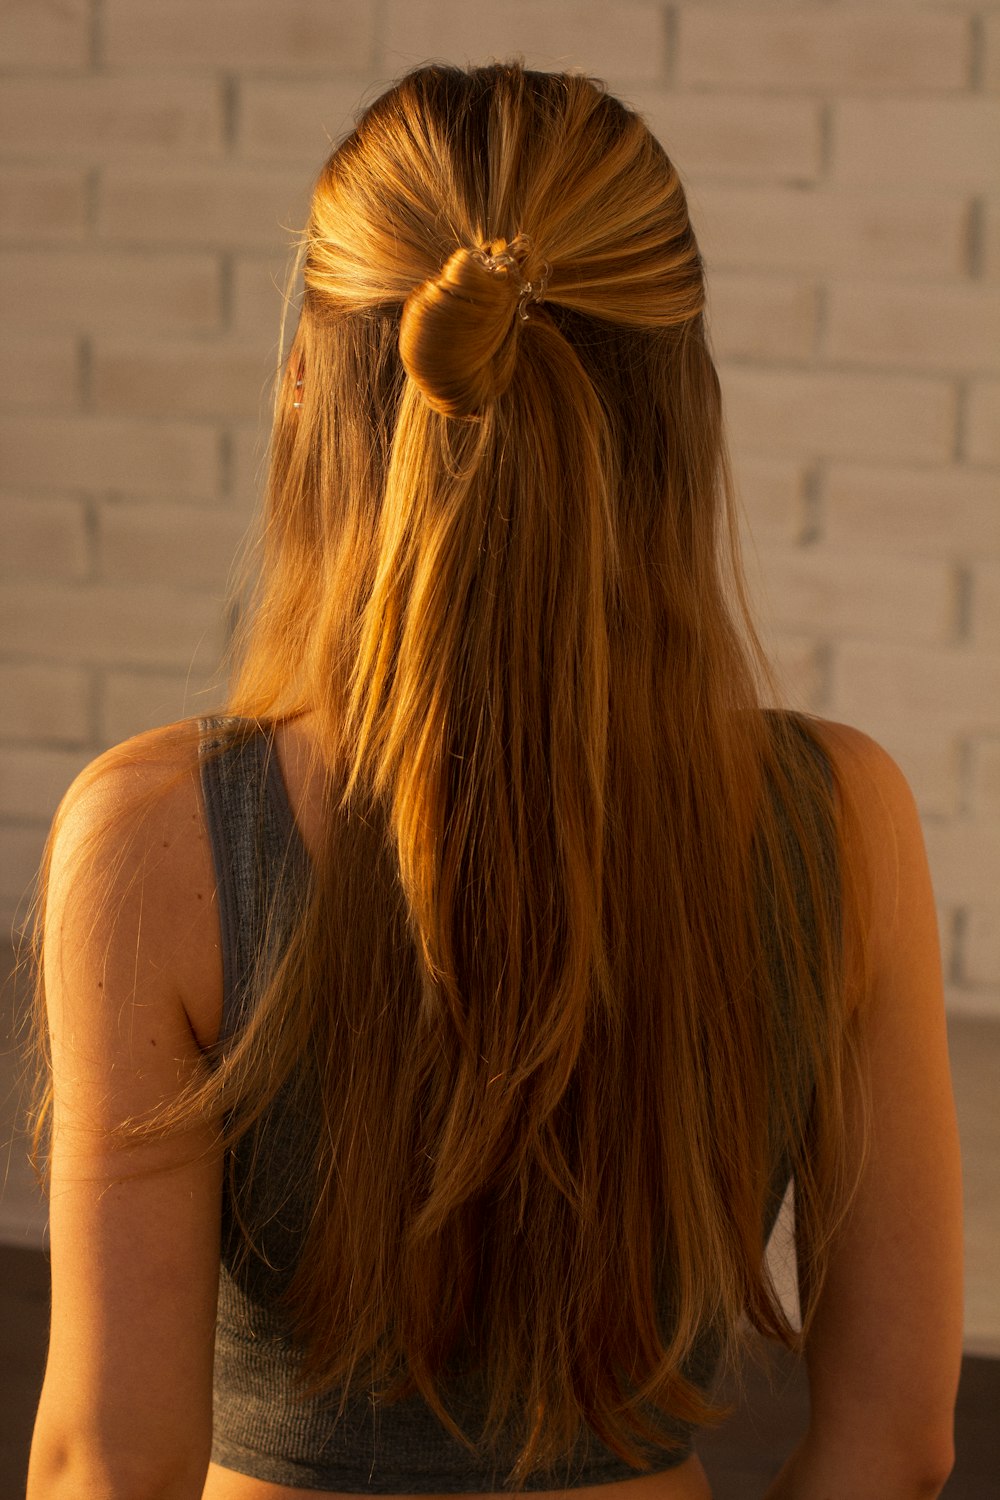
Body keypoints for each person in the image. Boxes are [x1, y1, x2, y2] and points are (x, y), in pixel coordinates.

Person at [25, 61, 962, 1500]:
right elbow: (893, 1447)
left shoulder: (152, 844)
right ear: (684, 415)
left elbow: (109, 1461)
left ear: (302, 396)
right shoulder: (844, 823)